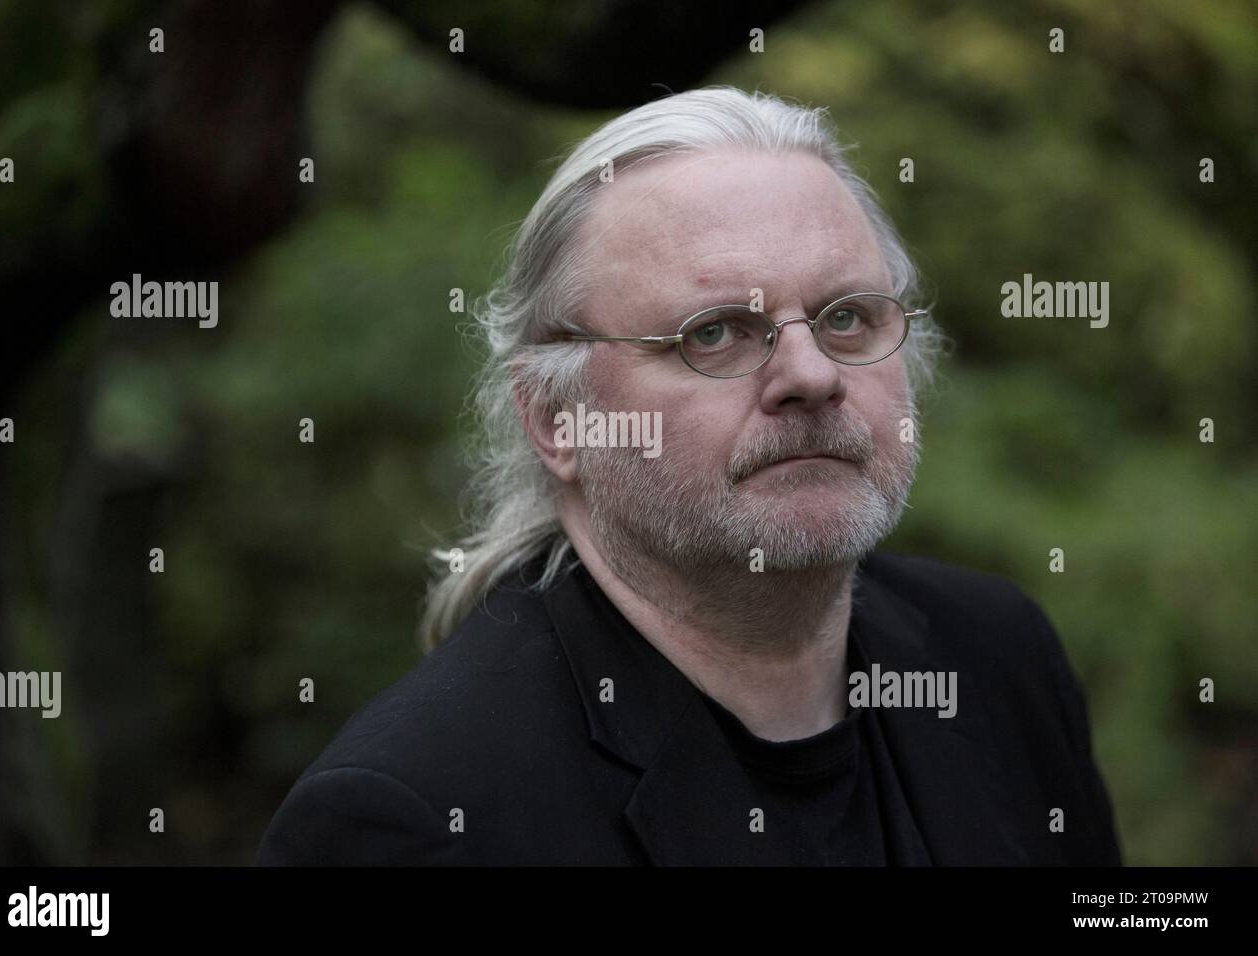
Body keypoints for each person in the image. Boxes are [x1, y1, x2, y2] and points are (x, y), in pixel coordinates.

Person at [258, 86, 1121, 865]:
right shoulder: (414, 817)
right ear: (557, 419)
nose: (811, 375)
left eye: (848, 317)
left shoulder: (998, 655)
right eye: (714, 333)